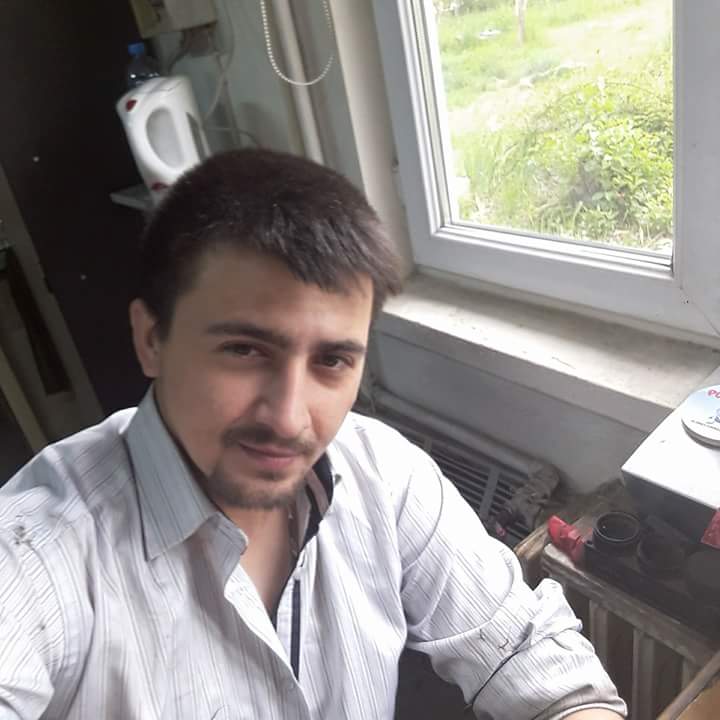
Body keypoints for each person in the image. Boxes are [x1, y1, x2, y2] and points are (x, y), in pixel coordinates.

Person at [0, 149, 626, 719]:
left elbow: (527, 655)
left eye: (332, 361)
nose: (289, 417)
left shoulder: (386, 476)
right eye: (244, 349)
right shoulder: (39, 552)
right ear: (151, 339)